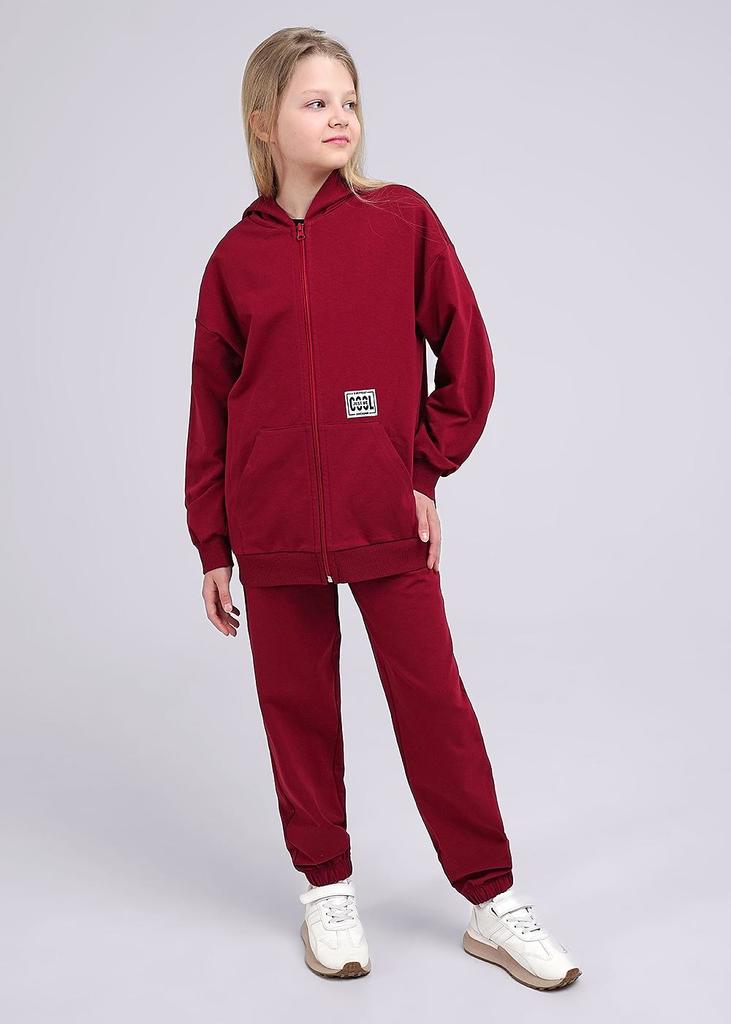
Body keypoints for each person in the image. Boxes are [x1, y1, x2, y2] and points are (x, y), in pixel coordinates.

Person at [184, 26, 581, 989]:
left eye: (349, 101)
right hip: (271, 524)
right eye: (315, 102)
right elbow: (209, 405)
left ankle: (491, 900)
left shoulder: (401, 221)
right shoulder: (235, 259)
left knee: (433, 704)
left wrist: (422, 470)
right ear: (263, 122)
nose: (339, 118)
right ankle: (326, 889)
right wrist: (212, 542)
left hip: (383, 518)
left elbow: (467, 358)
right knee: (297, 712)